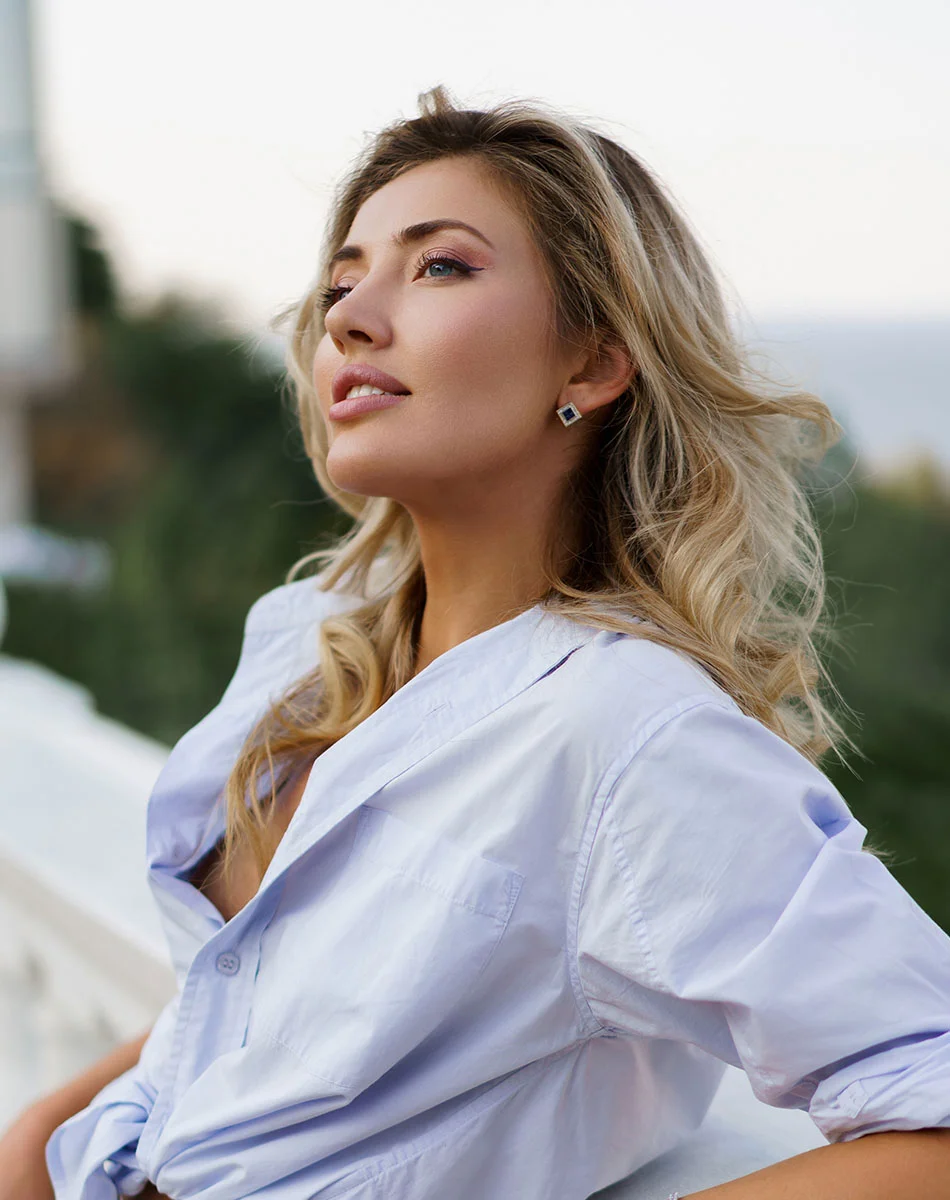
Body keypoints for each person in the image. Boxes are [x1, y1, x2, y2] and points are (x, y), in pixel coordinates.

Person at [4, 85, 950, 1200]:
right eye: (343, 277)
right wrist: (45, 1132)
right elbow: (251, 995)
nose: (350, 315)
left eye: (439, 265)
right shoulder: (305, 646)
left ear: (591, 364)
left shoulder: (626, 733)